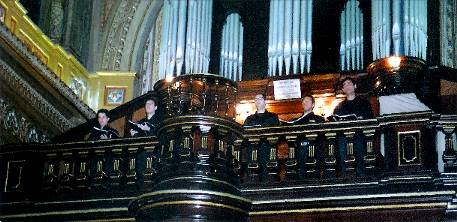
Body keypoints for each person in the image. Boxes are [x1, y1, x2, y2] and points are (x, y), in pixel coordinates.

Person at [333, 77, 374, 177]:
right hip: (344, 139)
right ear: (343, 90)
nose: (347, 86)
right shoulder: (339, 107)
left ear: (355, 86)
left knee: (360, 161)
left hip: (359, 137)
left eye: (349, 83)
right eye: (344, 85)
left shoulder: (364, 104)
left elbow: (369, 120)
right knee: (344, 162)